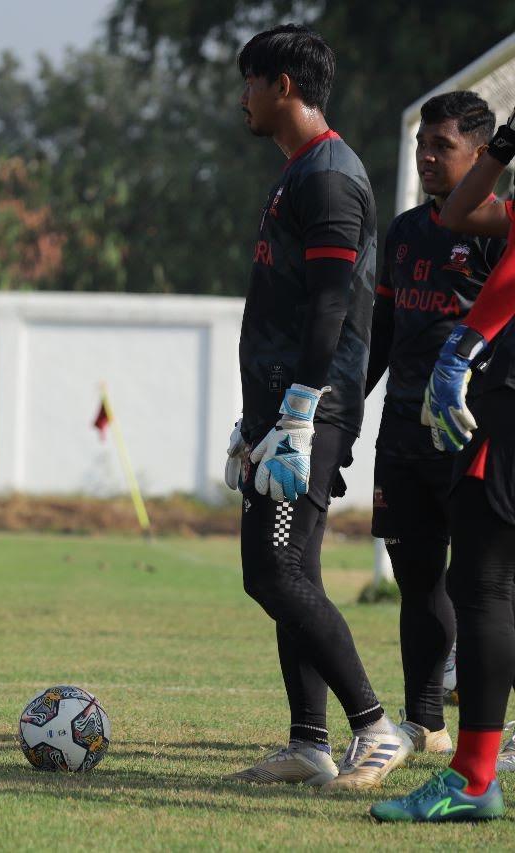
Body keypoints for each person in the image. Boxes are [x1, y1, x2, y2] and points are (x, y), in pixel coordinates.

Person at [223, 24, 407, 788]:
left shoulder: (328, 176)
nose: (245, 99)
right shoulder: (297, 170)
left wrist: (300, 412)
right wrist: (258, 415)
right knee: (289, 568)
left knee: (274, 571)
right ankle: (309, 743)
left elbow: (333, 304)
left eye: (251, 84)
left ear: (284, 87)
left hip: (311, 412)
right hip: (281, 409)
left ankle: (375, 726)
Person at [371, 108, 515, 822]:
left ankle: (475, 770)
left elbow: (507, 285)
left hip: (488, 412)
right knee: (438, 577)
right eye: (420, 145)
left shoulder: (496, 230)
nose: (426, 156)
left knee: (483, 583)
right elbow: (461, 214)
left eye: (443, 145)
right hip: (413, 427)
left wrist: (463, 352)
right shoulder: (407, 232)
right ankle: (433, 725)